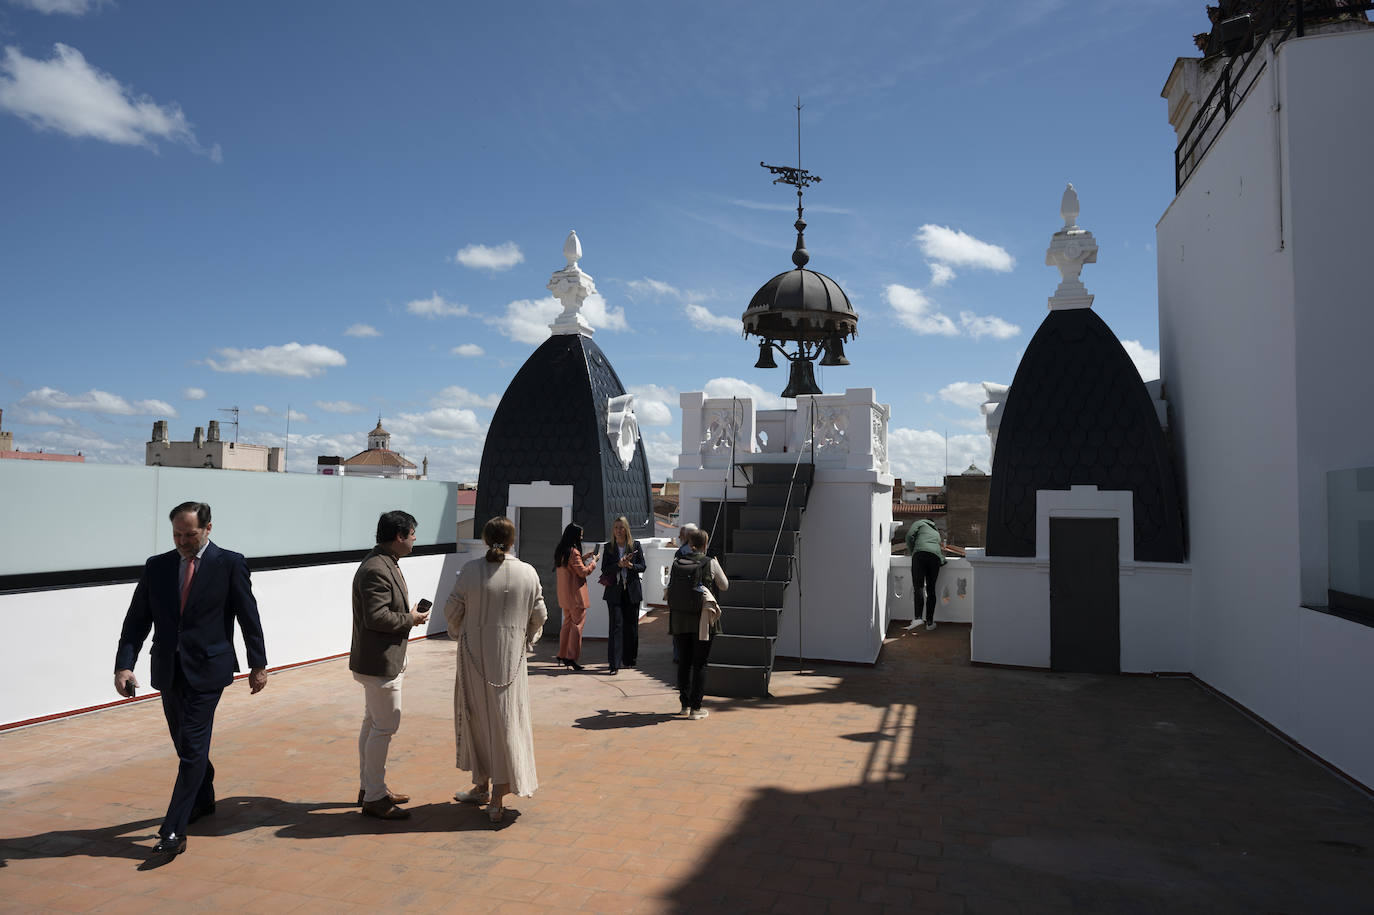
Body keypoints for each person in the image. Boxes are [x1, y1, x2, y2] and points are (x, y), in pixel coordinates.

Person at [113, 501, 268, 859]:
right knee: (186, 745)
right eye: (177, 534)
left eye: (190, 534)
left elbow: (249, 616)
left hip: (209, 669)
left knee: (193, 748)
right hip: (168, 669)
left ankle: (173, 830)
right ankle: (203, 799)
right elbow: (136, 621)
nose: (183, 541)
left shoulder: (229, 563)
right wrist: (124, 665)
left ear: (208, 529)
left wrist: (258, 664)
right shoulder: (158, 566)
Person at [445, 516, 547, 825]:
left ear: (485, 539)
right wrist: (526, 637)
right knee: (506, 721)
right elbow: (540, 614)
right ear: (513, 539)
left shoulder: (471, 571)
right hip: (510, 662)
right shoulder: (527, 573)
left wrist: (463, 629)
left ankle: (484, 787)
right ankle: (495, 796)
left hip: (474, 659)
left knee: (477, 718)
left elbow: (451, 611)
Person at [350, 510, 431, 820]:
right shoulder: (377, 569)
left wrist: (407, 615)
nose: (414, 540)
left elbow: (381, 611)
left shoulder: (383, 562)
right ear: (399, 537)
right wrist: (411, 618)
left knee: (373, 723)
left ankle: (371, 787)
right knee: (384, 727)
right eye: (412, 535)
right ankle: (374, 796)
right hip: (379, 663)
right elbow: (377, 617)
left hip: (378, 660)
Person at [667, 528, 729, 719]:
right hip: (702, 620)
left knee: (683, 663)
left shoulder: (678, 562)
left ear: (690, 543)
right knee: (700, 664)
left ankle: (684, 705)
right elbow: (724, 585)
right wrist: (717, 566)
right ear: (705, 544)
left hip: (679, 619)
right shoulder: (709, 563)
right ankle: (696, 708)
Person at [602, 515, 646, 673]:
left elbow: (642, 566)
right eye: (616, 528)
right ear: (613, 530)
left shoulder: (635, 545)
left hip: (632, 591)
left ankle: (629, 659)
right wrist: (618, 565)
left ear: (626, 529)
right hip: (615, 592)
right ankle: (614, 664)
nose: (618, 531)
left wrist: (630, 565)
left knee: (631, 627)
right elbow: (605, 569)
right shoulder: (609, 547)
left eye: (621, 527)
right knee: (616, 627)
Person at [553, 522, 597, 672]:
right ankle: (571, 658)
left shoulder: (562, 551)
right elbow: (583, 572)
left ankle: (562, 654)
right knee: (577, 627)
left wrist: (584, 557)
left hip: (565, 596)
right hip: (576, 597)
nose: (582, 538)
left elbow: (572, 567)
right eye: (581, 536)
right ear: (575, 536)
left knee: (567, 625)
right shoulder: (573, 552)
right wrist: (593, 563)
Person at [905, 518, 946, 632]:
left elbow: (909, 536)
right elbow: (937, 549)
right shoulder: (936, 532)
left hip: (920, 555)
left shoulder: (919, 523)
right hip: (935, 558)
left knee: (918, 586)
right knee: (931, 589)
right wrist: (942, 560)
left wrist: (913, 552)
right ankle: (929, 622)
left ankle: (918, 618)